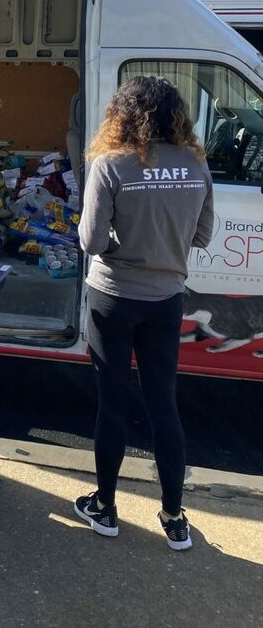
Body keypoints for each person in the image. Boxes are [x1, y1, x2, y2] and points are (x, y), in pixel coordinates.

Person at [75, 76, 214, 550]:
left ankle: (106, 508)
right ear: (175, 116)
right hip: (166, 300)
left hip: (112, 297)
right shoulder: (196, 163)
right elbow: (202, 235)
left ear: (123, 114)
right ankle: (174, 517)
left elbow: (91, 242)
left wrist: (121, 242)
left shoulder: (110, 165)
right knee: (164, 405)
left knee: (112, 404)